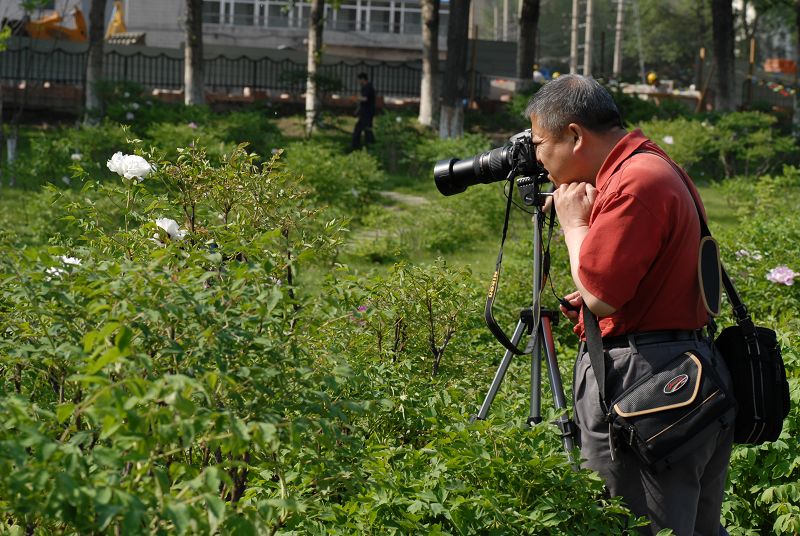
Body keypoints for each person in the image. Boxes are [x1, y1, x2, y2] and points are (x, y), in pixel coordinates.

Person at [524, 74, 734, 535]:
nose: (536, 158)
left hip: (648, 380)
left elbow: (599, 297)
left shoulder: (635, 182)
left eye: (540, 143)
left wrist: (575, 224)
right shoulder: (652, 164)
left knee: (635, 526)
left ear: (575, 135)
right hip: (679, 370)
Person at [351, 72, 376, 150]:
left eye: (359, 80)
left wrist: (356, 98)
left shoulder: (368, 87)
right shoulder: (365, 87)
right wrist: (357, 110)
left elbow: (365, 99)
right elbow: (362, 102)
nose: (358, 82)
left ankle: (358, 145)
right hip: (365, 111)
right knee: (365, 128)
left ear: (362, 79)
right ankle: (368, 144)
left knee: (363, 129)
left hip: (367, 112)